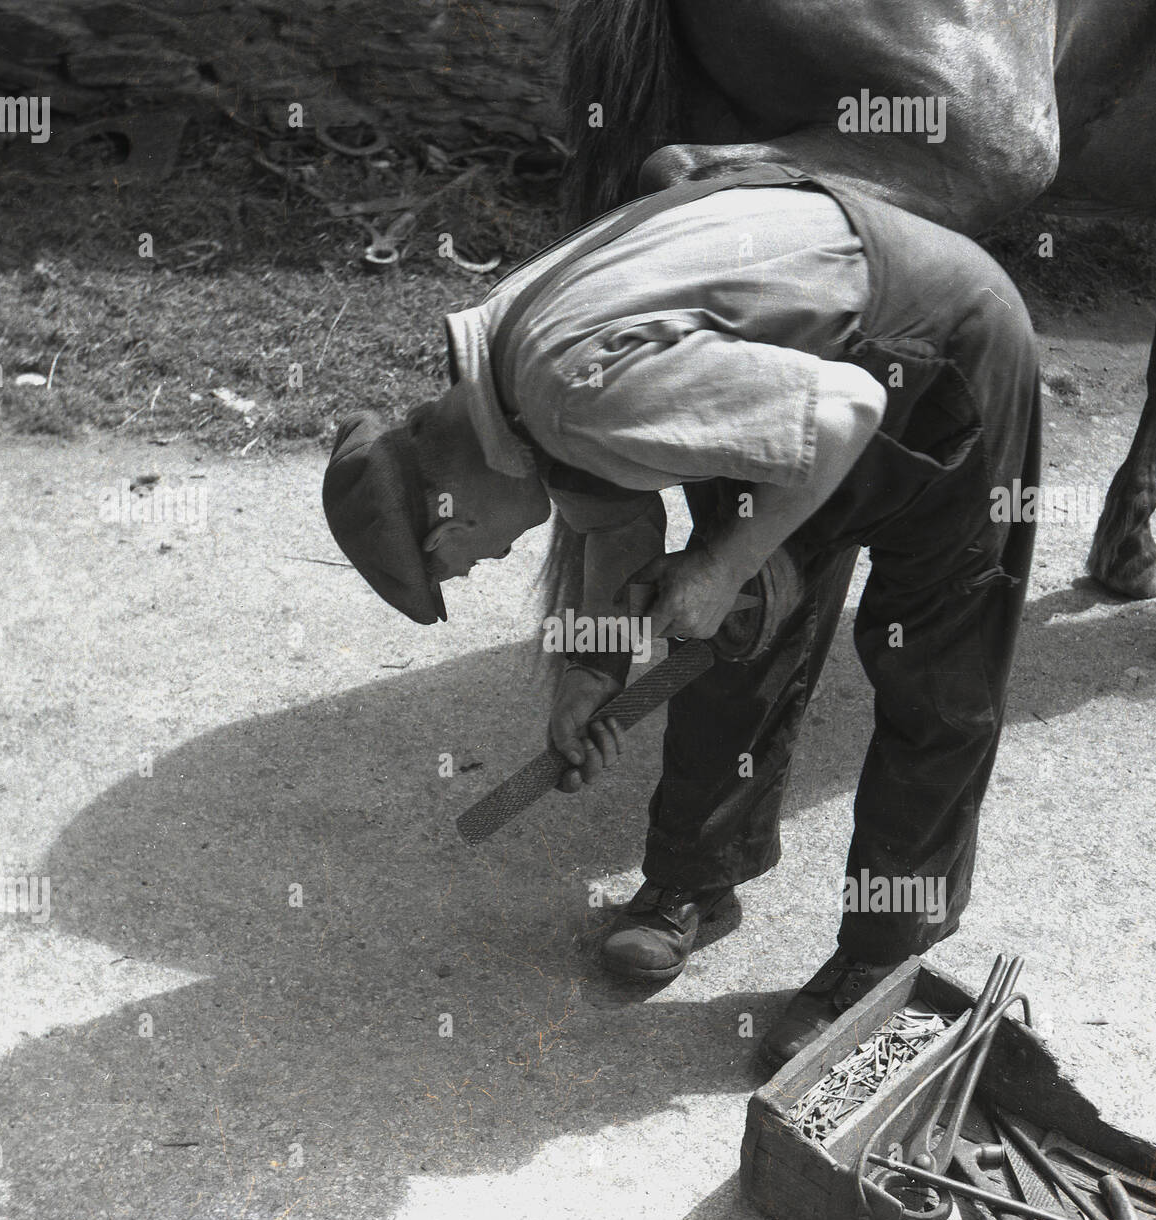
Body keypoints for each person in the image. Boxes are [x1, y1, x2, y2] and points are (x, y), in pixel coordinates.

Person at [323, 160, 1041, 1066]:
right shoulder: (507, 383)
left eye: (459, 569)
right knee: (736, 629)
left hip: (936, 352)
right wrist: (595, 667)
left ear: (445, 517)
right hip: (806, 365)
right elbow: (607, 509)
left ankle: (879, 964)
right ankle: (699, 876)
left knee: (937, 678)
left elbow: (847, 409)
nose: (490, 563)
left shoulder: (567, 389)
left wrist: (726, 559)